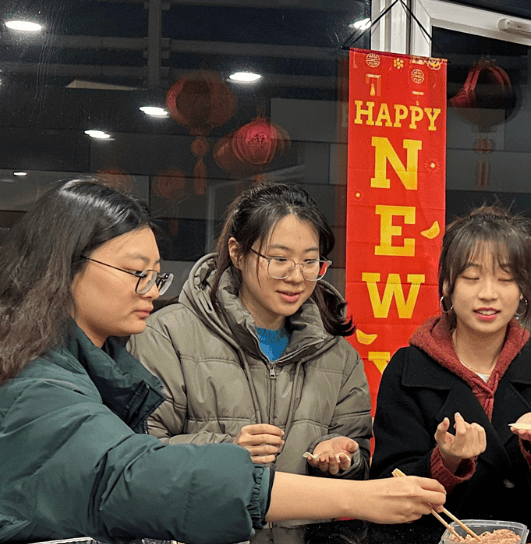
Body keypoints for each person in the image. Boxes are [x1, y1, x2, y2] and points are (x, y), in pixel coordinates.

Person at [0, 178, 444, 544]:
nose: (150, 292)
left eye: (156, 275)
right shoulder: (33, 385)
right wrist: (358, 499)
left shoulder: (69, 359)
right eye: (136, 273)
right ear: (62, 270)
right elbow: (139, 473)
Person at [128, 183, 369, 486]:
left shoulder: (338, 356)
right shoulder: (167, 336)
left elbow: (358, 457)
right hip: (203, 532)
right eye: (280, 260)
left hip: (303, 533)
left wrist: (342, 456)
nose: (296, 277)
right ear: (237, 252)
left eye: (309, 262)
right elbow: (139, 454)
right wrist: (226, 452)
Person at [370, 206, 531, 530]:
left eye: (504, 279)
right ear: (447, 285)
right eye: (471, 278)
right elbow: (387, 485)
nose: (488, 294)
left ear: (522, 289)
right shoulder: (408, 368)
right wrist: (446, 460)